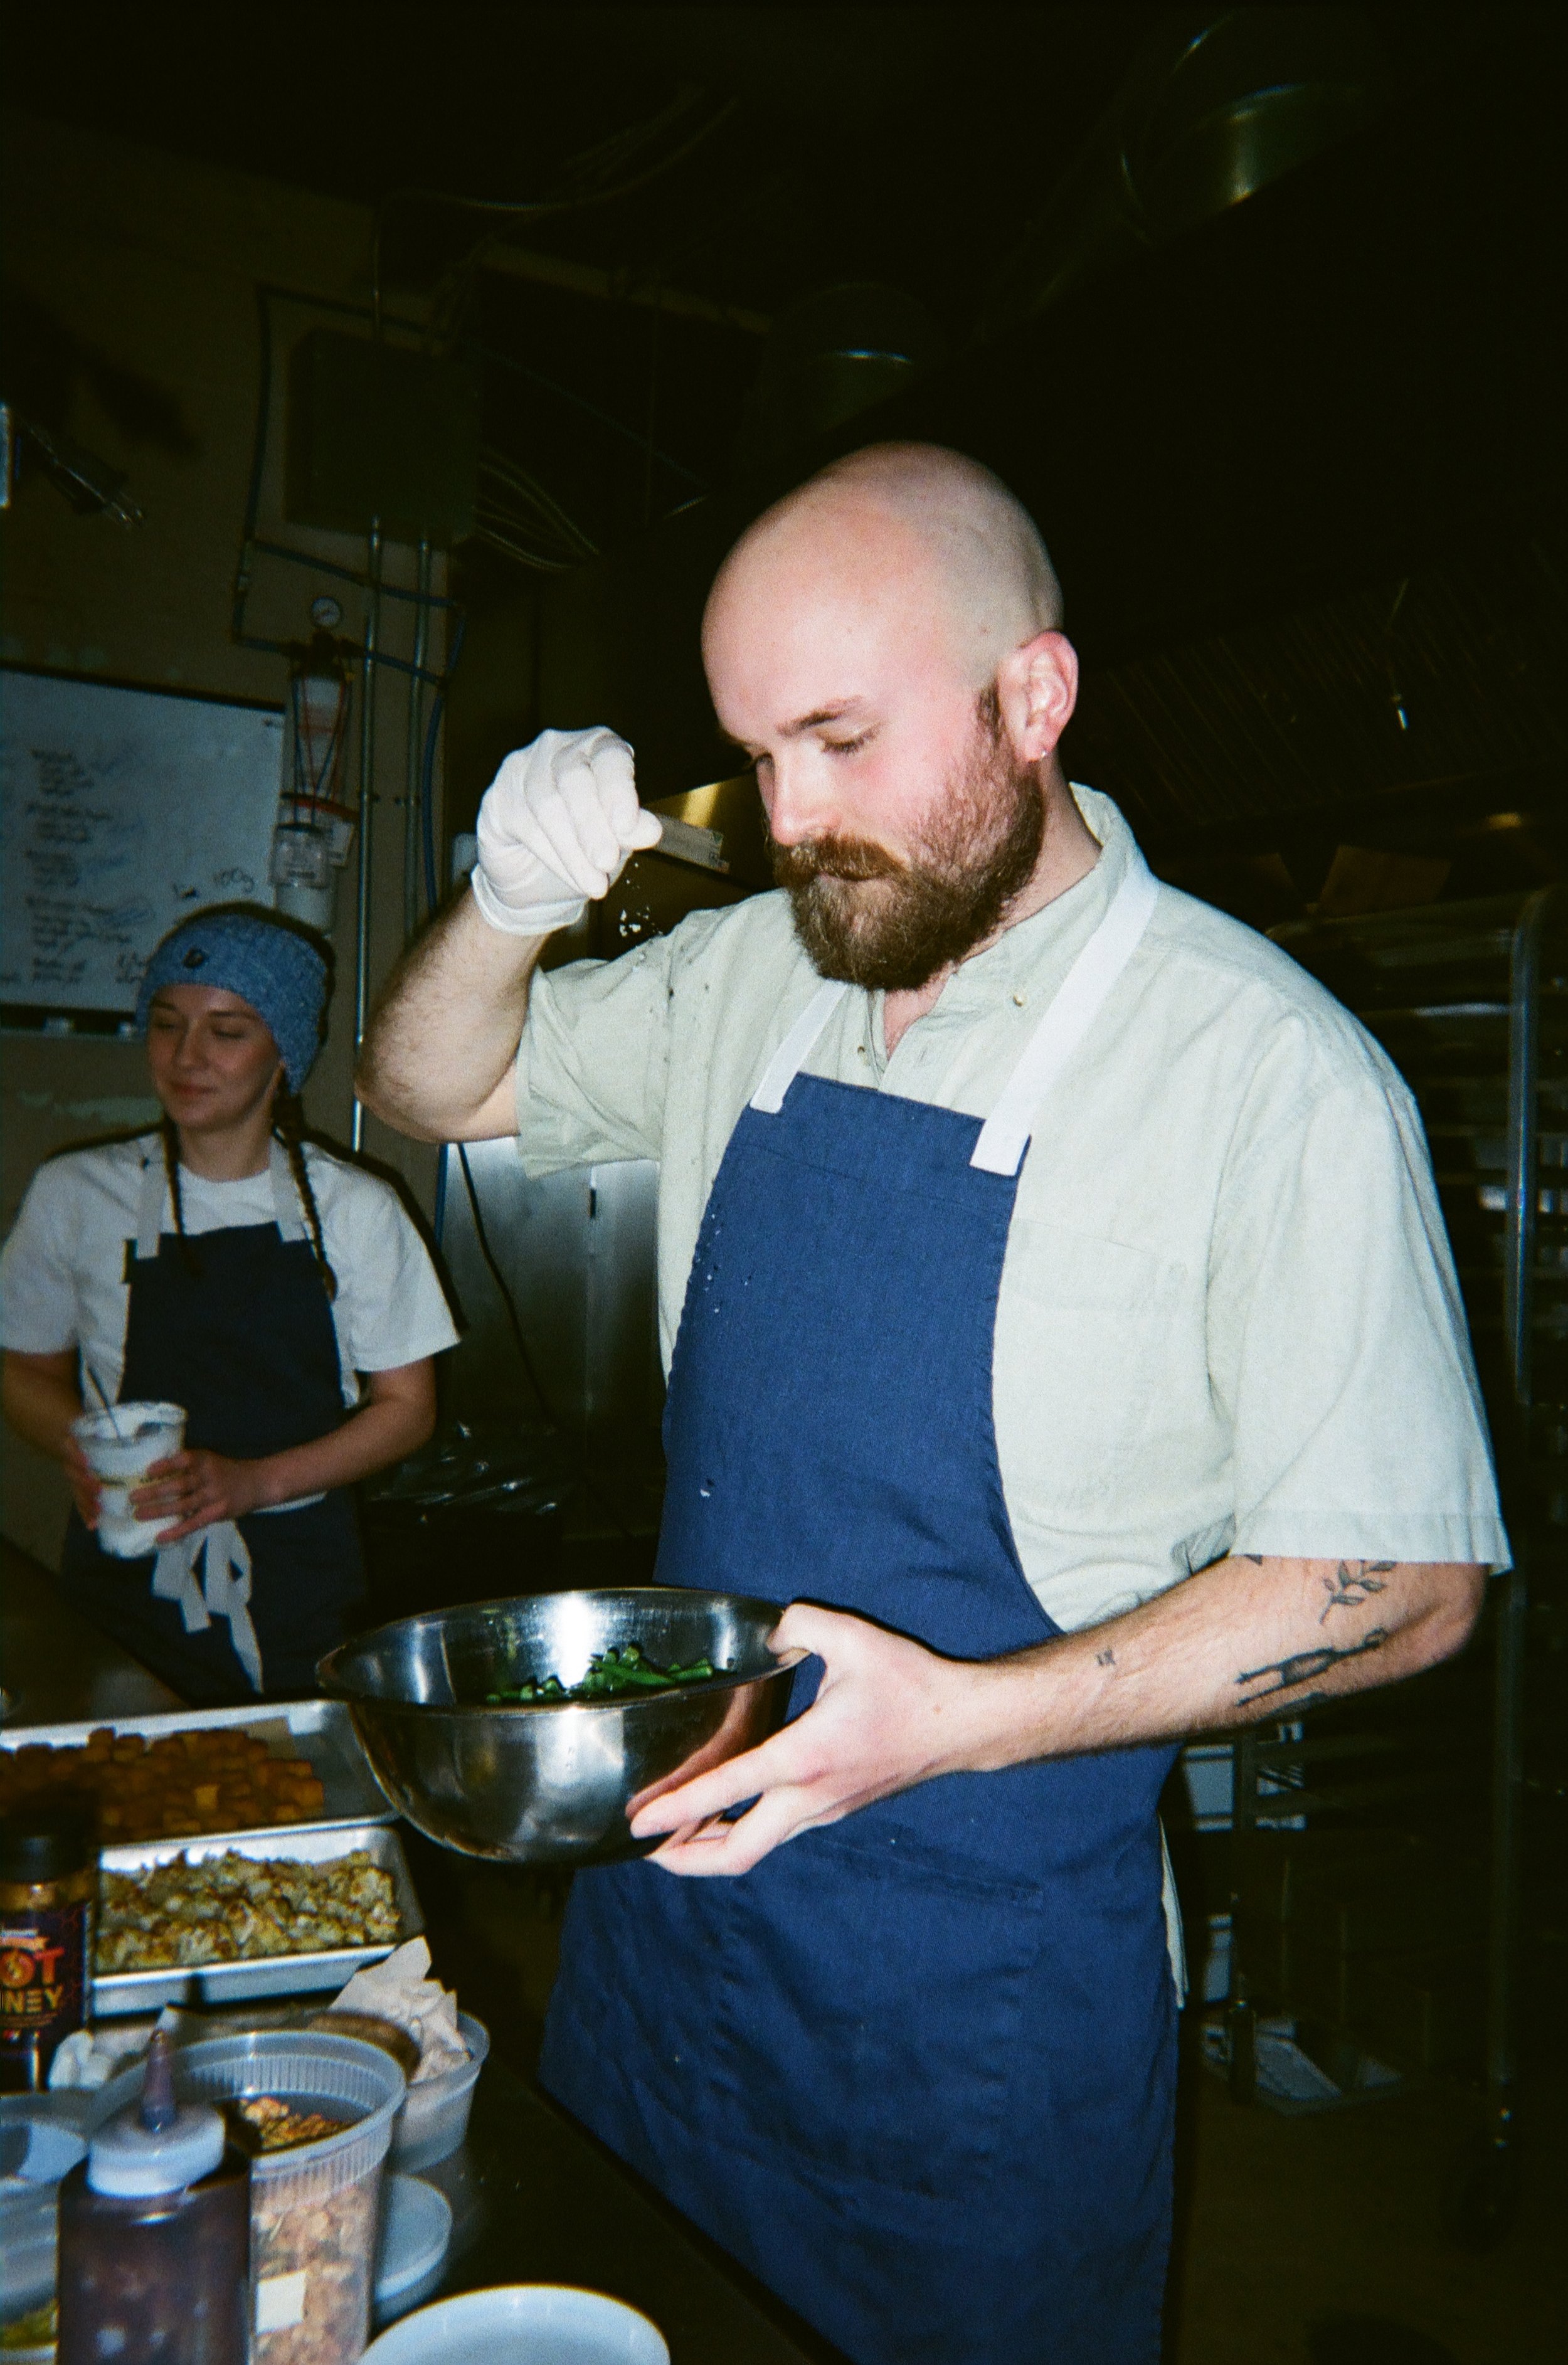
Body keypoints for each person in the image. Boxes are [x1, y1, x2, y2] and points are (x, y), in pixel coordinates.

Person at [356, 444, 1508, 2365]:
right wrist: (503, 898)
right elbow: (426, 1086)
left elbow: (1401, 1583)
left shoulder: (1267, 1076)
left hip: (978, 2001)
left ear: (1029, 698)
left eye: (838, 740)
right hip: (668, 1923)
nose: (791, 821)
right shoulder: (751, 971)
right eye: (756, 757)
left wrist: (959, 1719)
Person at [1, 904, 458, 1703]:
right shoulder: (76, 1193)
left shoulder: (355, 1209)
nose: (187, 1057)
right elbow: (22, 1368)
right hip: (127, 1583)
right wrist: (83, 1447)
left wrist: (254, 1484)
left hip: (302, 1584)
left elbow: (408, 1409)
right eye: (166, 1025)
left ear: (285, 1052)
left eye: (227, 1031)